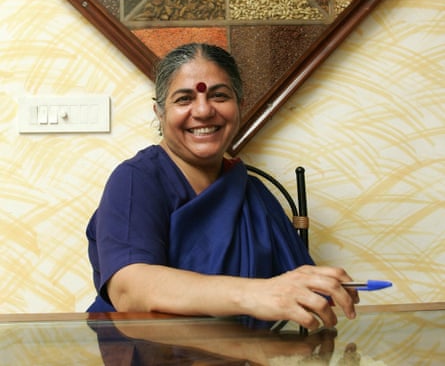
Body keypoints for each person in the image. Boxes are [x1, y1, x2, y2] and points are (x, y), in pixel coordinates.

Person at [86, 42, 358, 330]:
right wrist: (254, 294)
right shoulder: (135, 180)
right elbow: (129, 289)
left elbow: (293, 288)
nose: (203, 111)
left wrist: (320, 285)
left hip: (251, 354)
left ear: (239, 106)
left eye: (219, 96)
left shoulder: (253, 193)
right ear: (159, 112)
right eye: (183, 99)